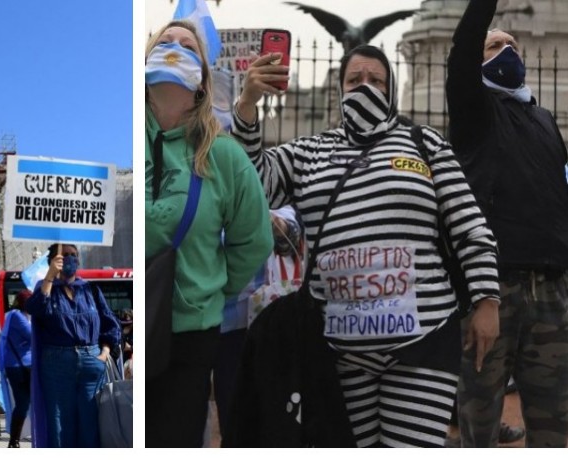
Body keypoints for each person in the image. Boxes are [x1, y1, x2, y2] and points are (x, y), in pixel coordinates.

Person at [228, 44, 501, 447]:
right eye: (355, 80)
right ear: (340, 89)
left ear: (391, 89)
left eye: (376, 80)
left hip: (423, 341)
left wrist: (487, 299)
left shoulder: (425, 144)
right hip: (336, 351)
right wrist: (247, 105)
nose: (365, 87)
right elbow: (250, 183)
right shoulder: (309, 152)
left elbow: (468, 223)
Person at [144, 20, 274, 448]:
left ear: (202, 79)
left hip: (190, 335)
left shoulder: (225, 156)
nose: (174, 47)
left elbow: (254, 240)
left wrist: (208, 290)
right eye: (164, 42)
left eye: (187, 46)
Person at [446, 0, 568, 448]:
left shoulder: (544, 120)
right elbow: (463, 47)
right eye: (495, 46)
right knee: (479, 425)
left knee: (556, 427)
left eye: (512, 45)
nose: (508, 51)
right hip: (493, 290)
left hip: (551, 292)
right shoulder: (474, 111)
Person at [213, 206, 302, 443]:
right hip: (210, 322)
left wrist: (277, 224)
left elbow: (291, 234)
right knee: (230, 422)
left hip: (261, 322)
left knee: (267, 419)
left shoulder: (263, 187)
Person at [26, 243, 121, 448]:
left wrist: (104, 352)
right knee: (60, 425)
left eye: (74, 255)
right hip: (57, 365)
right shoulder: (46, 287)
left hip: (91, 363)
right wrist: (50, 276)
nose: (70, 259)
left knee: (90, 423)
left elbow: (111, 324)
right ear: (53, 260)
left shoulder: (90, 289)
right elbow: (36, 309)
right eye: (65, 255)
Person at [0, 289, 32, 448]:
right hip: (21, 367)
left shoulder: (15, 315)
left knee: (23, 404)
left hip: (19, 366)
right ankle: (15, 440)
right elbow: (32, 335)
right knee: (24, 403)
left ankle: (14, 441)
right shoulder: (18, 317)